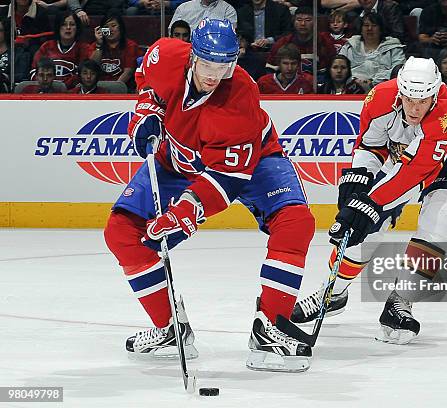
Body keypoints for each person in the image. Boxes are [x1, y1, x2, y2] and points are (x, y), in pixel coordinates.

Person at [103, 19, 316, 372]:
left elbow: (229, 178)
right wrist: (147, 109)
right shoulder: (167, 53)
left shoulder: (241, 97)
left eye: (225, 66)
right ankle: (169, 327)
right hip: (176, 159)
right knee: (122, 232)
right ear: (192, 57)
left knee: (295, 223)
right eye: (208, 65)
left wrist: (187, 210)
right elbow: (146, 79)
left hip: (253, 162)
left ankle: (270, 327)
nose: (215, 74)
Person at [291, 57, 447, 345]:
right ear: (399, 91)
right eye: (409, 99)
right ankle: (333, 292)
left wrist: (368, 203)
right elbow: (370, 145)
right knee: (365, 230)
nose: (416, 108)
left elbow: (414, 172)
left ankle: (401, 301)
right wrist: (357, 181)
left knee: (439, 225)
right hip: (403, 155)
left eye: (424, 100)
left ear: (436, 93)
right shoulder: (378, 98)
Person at [339, 12, 406, 91]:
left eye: (374, 25)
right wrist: (354, 81)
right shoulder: (349, 46)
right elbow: (339, 65)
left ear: (381, 29)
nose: (369, 28)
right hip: (350, 89)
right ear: (361, 29)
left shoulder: (393, 46)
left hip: (383, 88)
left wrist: (373, 82)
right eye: (366, 25)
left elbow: (399, 69)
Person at [266, 6, 336, 77]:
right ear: (293, 21)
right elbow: (270, 71)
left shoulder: (324, 42)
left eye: (308, 20)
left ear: (315, 22)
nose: (303, 23)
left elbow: (331, 71)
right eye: (299, 20)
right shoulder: (283, 43)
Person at [30, 11, 89, 89]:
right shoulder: (46, 46)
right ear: (58, 27)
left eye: (72, 24)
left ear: (77, 27)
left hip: (71, 94)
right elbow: (34, 72)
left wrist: (63, 87)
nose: (68, 27)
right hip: (46, 91)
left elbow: (84, 75)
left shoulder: (83, 48)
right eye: (64, 24)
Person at [89, 12, 140, 86]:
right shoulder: (95, 45)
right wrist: (99, 45)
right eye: (106, 27)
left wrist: (114, 87)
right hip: (98, 87)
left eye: (113, 26)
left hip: (121, 87)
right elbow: (91, 68)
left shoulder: (130, 46)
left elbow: (128, 72)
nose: (110, 29)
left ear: (121, 28)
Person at [0, 16, 32, 92]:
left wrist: (5, 77)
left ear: (6, 32)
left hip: (8, 91)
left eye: (0, 30)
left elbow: (22, 75)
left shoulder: (20, 53)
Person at [169, 0, 237, 32]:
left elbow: (229, 37)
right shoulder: (183, 8)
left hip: (213, 54)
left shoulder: (228, 10)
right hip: (184, 51)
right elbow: (172, 33)